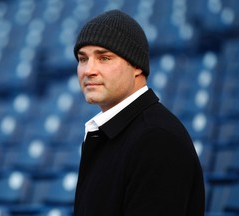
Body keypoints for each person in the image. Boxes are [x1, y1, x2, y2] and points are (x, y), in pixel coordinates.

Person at [73, 9, 205, 216]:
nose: (88, 70)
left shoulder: (157, 139)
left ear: (136, 65)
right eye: (82, 59)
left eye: (104, 58)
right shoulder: (114, 133)